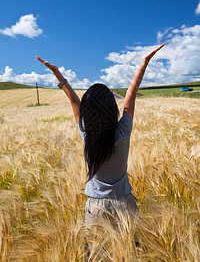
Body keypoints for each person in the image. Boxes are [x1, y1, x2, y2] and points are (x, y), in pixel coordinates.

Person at [35, 42, 165, 255]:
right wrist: (144, 62)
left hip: (96, 208)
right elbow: (132, 93)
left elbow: (73, 100)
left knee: (96, 256)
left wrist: (58, 74)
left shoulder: (87, 134)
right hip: (126, 205)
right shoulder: (123, 131)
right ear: (112, 108)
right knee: (133, 255)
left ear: (88, 113)